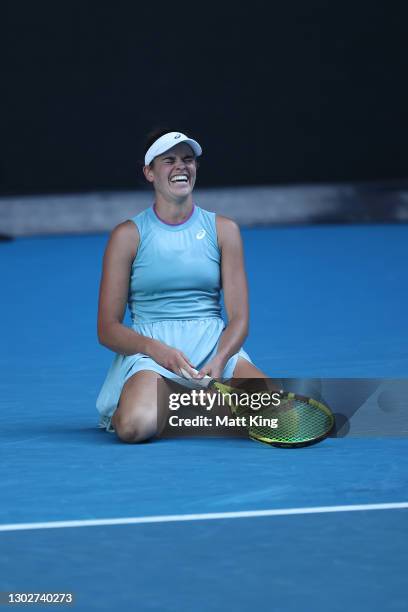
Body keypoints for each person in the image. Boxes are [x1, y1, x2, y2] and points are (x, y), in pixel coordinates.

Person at [96, 129, 267, 443]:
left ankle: (177, 404)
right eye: (169, 160)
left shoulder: (224, 230)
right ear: (149, 172)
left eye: (188, 160)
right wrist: (156, 350)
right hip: (151, 354)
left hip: (215, 349)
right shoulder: (127, 235)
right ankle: (141, 400)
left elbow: (240, 318)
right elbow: (107, 328)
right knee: (135, 427)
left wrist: (219, 359)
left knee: (276, 414)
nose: (181, 166)